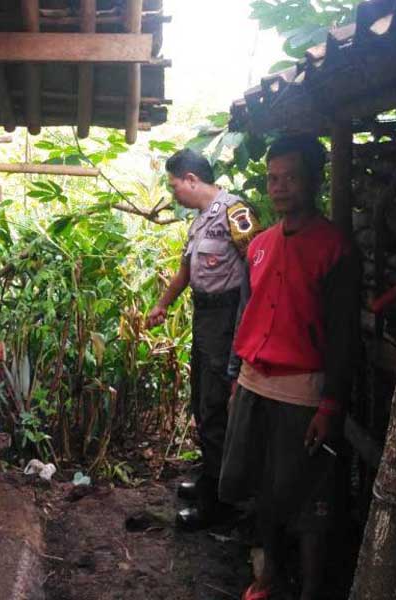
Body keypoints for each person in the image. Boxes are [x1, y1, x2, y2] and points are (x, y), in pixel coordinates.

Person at [219, 135, 359, 600]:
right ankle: (268, 575)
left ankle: (312, 589)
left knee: (310, 498)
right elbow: (248, 314)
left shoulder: (334, 248)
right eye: (272, 179)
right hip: (255, 382)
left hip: (303, 390)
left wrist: (331, 404)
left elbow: (343, 334)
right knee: (262, 486)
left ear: (314, 180)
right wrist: (238, 377)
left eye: (290, 178)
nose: (279, 188)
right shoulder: (259, 246)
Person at [146, 148, 261, 529]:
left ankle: (220, 503)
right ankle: (211, 478)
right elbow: (186, 269)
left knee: (215, 407)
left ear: (192, 179)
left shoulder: (235, 213)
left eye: (175, 184)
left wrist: (249, 331)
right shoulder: (199, 221)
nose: (174, 192)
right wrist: (162, 304)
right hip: (205, 317)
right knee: (201, 400)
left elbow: (258, 270)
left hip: (228, 319)